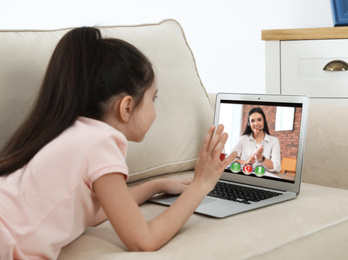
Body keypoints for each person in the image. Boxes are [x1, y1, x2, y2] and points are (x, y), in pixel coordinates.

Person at [0, 27, 236, 259]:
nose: (155, 109)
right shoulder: (100, 143)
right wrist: (201, 184)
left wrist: (156, 185)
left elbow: (90, 214)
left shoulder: (70, 130)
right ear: (126, 107)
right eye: (153, 98)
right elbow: (143, 241)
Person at [232, 107, 281, 172]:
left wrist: (261, 158)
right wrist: (246, 163)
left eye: (259, 120)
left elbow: (277, 167)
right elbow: (230, 158)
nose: (256, 124)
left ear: (264, 122)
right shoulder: (243, 139)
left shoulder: (274, 141)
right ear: (249, 124)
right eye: (252, 121)